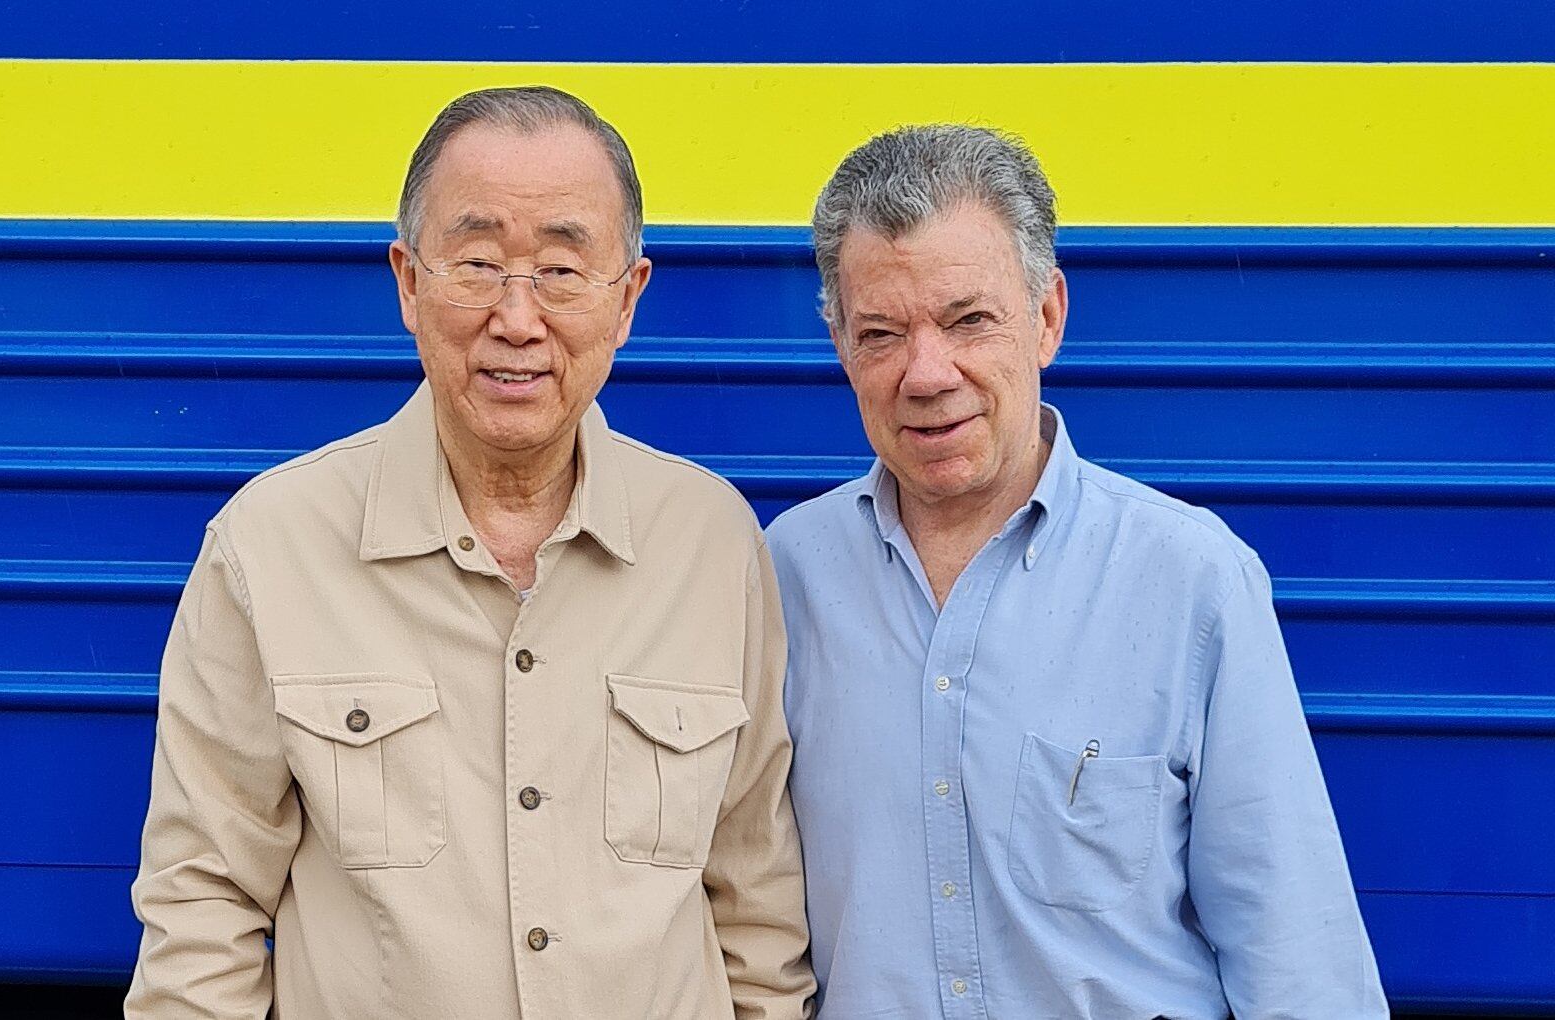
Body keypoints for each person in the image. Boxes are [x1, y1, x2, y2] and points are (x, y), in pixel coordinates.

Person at [125, 86, 813, 1019]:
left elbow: (757, 912)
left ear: (627, 301)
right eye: (477, 261)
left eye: (563, 271)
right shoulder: (270, 547)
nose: (518, 319)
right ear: (408, 282)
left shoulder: (712, 542)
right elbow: (203, 906)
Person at [767, 124, 1386, 1019]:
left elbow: (1299, 962)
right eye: (881, 333)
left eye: (969, 319)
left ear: (1048, 316)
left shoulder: (1193, 582)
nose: (926, 372)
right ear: (841, 349)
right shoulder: (782, 576)